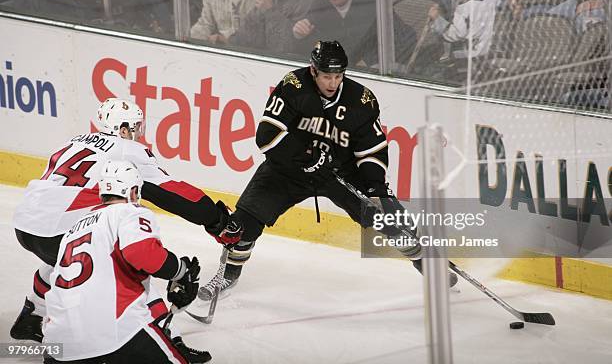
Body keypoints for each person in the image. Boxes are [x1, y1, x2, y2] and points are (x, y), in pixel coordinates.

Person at [199, 40, 457, 301]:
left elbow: (371, 150)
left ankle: (427, 262)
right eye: (326, 76)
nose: (332, 83)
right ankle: (228, 273)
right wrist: (304, 155)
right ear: (313, 71)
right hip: (289, 170)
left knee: (389, 217)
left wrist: (376, 188)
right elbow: (267, 135)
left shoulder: (361, 100)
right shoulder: (293, 86)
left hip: (339, 173)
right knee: (245, 221)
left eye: (338, 76)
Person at [10, 98, 240, 353]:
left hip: (25, 223)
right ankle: (170, 340)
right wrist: (216, 220)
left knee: (65, 252)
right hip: (56, 229)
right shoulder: (126, 151)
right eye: (134, 127)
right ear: (121, 129)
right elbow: (171, 191)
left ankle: (32, 315)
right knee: (131, 267)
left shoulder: (74, 140)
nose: (136, 134)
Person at [43, 159, 209, 363]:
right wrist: (181, 271)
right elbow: (143, 254)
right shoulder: (129, 212)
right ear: (132, 192)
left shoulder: (73, 229)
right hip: (113, 333)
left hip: (56, 345)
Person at [428, 0, 499, 59]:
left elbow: (454, 35)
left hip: (469, 55)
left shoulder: (464, 8)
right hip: (490, 50)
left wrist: (437, 19)